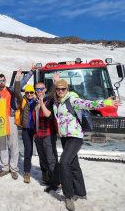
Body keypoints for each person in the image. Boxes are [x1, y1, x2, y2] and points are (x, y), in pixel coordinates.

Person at [53, 79, 122, 211]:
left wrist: (106, 102)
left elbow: (88, 104)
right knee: (73, 164)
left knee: (64, 163)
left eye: (63, 89)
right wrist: (56, 82)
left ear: (67, 90)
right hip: (65, 137)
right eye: (58, 89)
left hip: (75, 137)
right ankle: (80, 192)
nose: (60, 91)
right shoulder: (58, 102)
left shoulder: (72, 99)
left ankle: (68, 196)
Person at [0, 65, 36, 179]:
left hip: (11, 118)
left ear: (5, 81)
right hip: (1, 120)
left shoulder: (11, 90)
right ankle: (5, 167)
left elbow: (22, 82)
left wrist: (31, 72)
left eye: (2, 80)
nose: (1, 82)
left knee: (13, 144)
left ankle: (14, 168)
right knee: (2, 144)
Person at [34, 75, 60, 192]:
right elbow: (35, 120)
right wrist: (35, 132)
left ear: (45, 89)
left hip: (49, 134)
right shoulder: (35, 103)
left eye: (41, 89)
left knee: (51, 159)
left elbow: (49, 116)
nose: (39, 91)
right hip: (39, 134)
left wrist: (55, 82)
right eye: (37, 89)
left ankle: (56, 183)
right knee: (43, 158)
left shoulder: (50, 101)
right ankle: (50, 179)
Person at [14, 69, 38, 184]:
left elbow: (49, 95)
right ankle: (27, 172)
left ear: (34, 93)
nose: (29, 94)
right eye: (27, 92)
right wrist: (17, 79)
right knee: (28, 152)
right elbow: (17, 91)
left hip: (37, 130)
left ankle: (45, 172)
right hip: (26, 130)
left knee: (43, 152)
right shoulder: (22, 100)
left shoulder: (38, 101)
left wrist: (55, 83)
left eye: (31, 93)